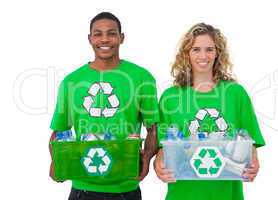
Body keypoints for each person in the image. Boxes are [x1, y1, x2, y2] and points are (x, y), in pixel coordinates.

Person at [49, 12, 159, 200]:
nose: (105, 39)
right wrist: (56, 161)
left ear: (121, 37)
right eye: (98, 34)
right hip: (82, 187)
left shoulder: (142, 78)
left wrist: (147, 159)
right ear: (90, 38)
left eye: (111, 33)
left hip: (126, 186)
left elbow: (153, 128)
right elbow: (59, 131)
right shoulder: (71, 82)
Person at [154, 23, 265, 200]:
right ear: (186, 54)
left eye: (209, 49)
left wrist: (253, 162)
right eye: (196, 49)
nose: (203, 56)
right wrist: (158, 163)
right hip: (183, 194)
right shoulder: (170, 97)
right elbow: (163, 146)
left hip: (226, 194)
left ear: (218, 53)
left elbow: (248, 139)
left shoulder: (235, 94)